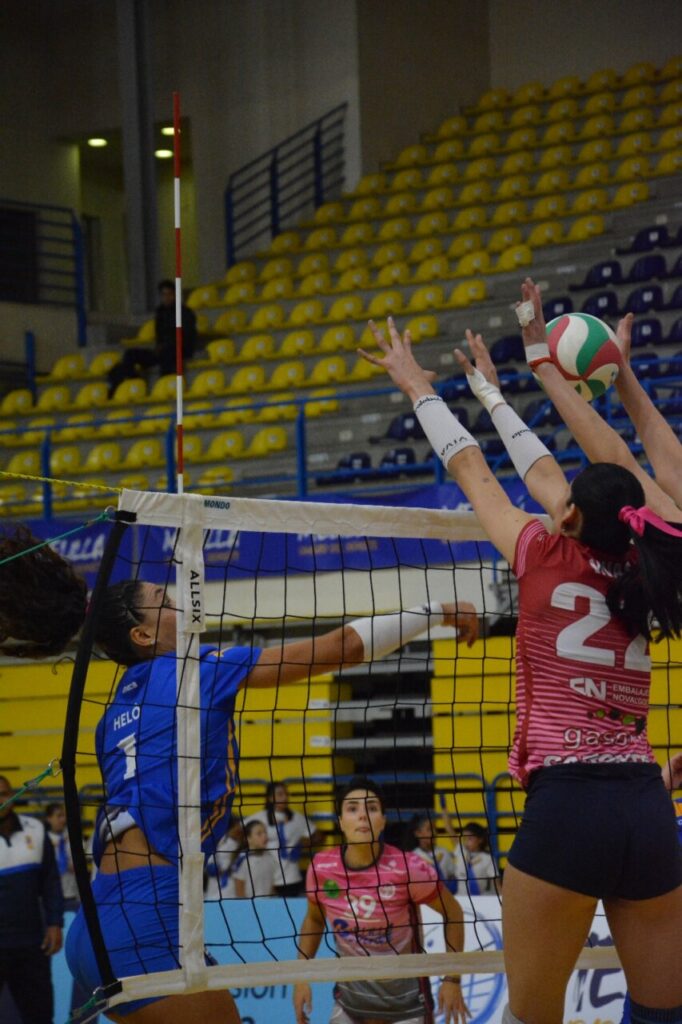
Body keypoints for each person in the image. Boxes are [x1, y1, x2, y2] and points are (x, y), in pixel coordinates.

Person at [0, 531, 478, 1024]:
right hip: (146, 920)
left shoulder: (112, 716)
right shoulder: (195, 672)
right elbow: (339, 647)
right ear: (141, 636)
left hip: (97, 921)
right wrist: (435, 612)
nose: (178, 601)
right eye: (163, 600)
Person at [358, 317, 682, 1024]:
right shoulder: (650, 567)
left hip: (567, 807)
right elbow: (546, 476)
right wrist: (494, 391)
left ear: (567, 519)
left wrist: (422, 386)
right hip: (645, 807)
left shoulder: (538, 554)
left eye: (563, 500)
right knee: (663, 1014)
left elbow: (472, 467)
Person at [293, 777, 470, 1024]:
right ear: (341, 822)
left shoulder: (408, 868)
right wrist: (301, 976)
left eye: (372, 808)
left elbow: (453, 913)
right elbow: (314, 920)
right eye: (352, 808)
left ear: (383, 821)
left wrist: (452, 979)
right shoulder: (322, 868)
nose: (363, 815)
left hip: (408, 1005)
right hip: (350, 1003)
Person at [0, 775, 64, 1024]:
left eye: (4, 794)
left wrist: (55, 922)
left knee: (39, 1015)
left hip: (31, 945)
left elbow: (50, 882)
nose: (0, 800)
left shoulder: (36, 830)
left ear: (13, 796)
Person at [107, 279, 198, 398]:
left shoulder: (185, 313)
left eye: (169, 294)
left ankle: (163, 389)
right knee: (130, 354)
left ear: (175, 295)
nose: (167, 297)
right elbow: (159, 336)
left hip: (178, 351)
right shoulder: (160, 312)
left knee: (168, 353)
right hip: (162, 351)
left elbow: (187, 336)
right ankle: (135, 381)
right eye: (164, 294)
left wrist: (171, 346)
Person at [244, 781, 322, 897]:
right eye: (280, 794)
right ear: (270, 798)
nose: (285, 797)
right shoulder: (259, 817)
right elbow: (240, 833)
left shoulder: (297, 818)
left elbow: (319, 836)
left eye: (286, 794)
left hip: (291, 878)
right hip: (267, 878)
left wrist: (302, 843)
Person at [228, 820, 278, 898]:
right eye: (259, 834)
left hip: (268, 905)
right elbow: (239, 891)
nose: (264, 836)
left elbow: (271, 885)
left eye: (265, 832)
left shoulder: (270, 857)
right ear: (248, 838)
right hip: (250, 906)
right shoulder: (243, 860)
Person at [403, 812, 456, 884]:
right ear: (418, 833)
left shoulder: (444, 852)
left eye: (435, 829)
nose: (434, 832)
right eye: (429, 829)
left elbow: (452, 876)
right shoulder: (413, 857)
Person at [45, 801, 80, 911]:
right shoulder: (43, 840)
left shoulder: (73, 836)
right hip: (52, 896)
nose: (62, 820)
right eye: (58, 816)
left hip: (73, 893)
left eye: (63, 815)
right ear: (49, 818)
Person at [448, 823, 497, 897]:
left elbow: (496, 883)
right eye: (464, 839)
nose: (466, 842)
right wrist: (444, 811)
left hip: (480, 899)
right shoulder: (461, 852)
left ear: (480, 839)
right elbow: (449, 829)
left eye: (470, 838)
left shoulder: (488, 858)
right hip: (461, 899)